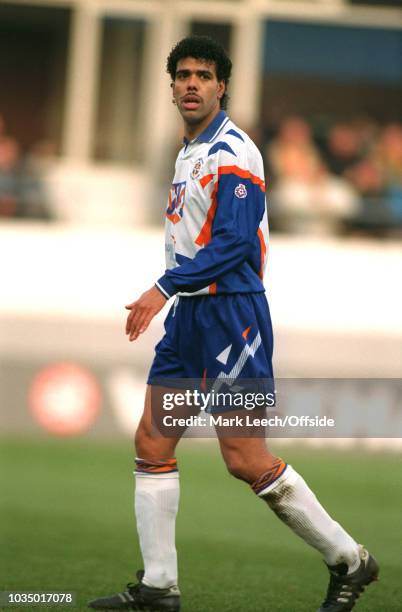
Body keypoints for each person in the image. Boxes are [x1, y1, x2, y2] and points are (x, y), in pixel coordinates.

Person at [89, 36, 379, 612]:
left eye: (203, 75)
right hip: (191, 319)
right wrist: (174, 293)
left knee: (245, 458)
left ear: (223, 86)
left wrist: (162, 287)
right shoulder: (188, 150)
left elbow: (234, 241)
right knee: (152, 440)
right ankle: (158, 586)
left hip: (232, 317)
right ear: (171, 86)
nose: (191, 83)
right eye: (183, 75)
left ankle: (349, 559)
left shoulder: (233, 150)